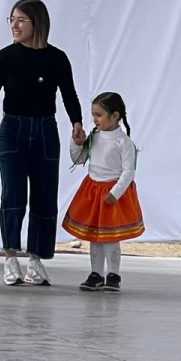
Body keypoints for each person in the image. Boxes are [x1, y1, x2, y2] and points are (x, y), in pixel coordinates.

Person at [0, 0, 85, 286]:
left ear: (37, 23)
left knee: (44, 196)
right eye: (12, 19)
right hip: (11, 129)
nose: (14, 25)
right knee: (13, 195)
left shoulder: (57, 58)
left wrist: (77, 122)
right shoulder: (4, 57)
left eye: (21, 19)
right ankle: (10, 258)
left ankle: (36, 260)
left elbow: (69, 95)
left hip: (45, 130)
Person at [63, 92, 143, 293]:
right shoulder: (95, 137)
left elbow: (128, 172)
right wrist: (76, 142)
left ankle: (113, 274)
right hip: (92, 191)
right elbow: (79, 160)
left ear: (115, 116)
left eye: (98, 115)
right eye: (93, 115)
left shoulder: (124, 142)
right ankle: (96, 273)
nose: (94, 120)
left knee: (110, 237)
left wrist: (115, 193)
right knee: (94, 236)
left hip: (112, 194)